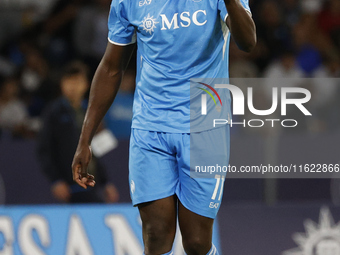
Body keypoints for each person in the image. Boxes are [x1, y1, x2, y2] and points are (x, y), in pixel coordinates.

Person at [72, 0, 256, 254]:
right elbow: (112, 67)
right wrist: (85, 139)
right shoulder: (128, 2)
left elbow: (247, 41)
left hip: (205, 128)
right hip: (150, 127)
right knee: (156, 235)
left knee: (196, 243)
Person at [38, 61, 119, 203]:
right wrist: (55, 180)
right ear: (62, 84)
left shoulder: (92, 112)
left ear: (86, 84)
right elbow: (44, 150)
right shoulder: (53, 113)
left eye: (77, 81)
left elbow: (97, 151)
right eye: (69, 81)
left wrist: (106, 182)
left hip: (93, 187)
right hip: (68, 189)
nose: (73, 86)